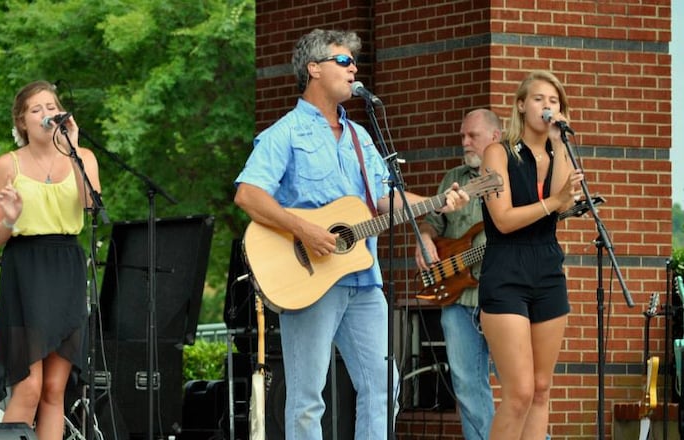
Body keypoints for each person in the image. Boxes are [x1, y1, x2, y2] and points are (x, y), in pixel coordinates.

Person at [234, 29, 469, 440]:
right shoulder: (284, 133)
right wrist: (304, 230)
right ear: (314, 69)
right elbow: (248, 195)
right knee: (308, 396)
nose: (354, 69)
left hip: (364, 280)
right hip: (308, 280)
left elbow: (384, 201)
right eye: (343, 62)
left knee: (383, 386)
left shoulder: (360, 137)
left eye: (353, 63)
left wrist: (436, 202)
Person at [0, 80, 100, 440]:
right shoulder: (7, 164)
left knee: (55, 390)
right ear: (22, 122)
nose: (46, 115)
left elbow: (89, 205)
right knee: (29, 387)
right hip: (26, 269)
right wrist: (10, 217)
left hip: (66, 264)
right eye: (36, 110)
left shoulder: (81, 158)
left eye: (51, 107)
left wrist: (76, 147)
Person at [478, 70, 583, 440]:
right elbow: (503, 219)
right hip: (506, 269)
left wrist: (559, 143)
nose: (547, 106)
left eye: (554, 101)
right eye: (539, 99)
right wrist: (554, 202)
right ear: (521, 105)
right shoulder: (498, 153)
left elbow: (560, 202)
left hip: (547, 267)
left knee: (541, 388)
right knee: (519, 392)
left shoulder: (559, 151)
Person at [416, 109, 502, 440]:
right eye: (462, 136)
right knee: (467, 387)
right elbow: (433, 222)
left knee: (519, 389)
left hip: (500, 296)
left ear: (495, 137)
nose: (464, 142)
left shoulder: (515, 175)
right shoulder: (454, 175)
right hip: (456, 297)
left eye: (472, 136)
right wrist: (423, 237)